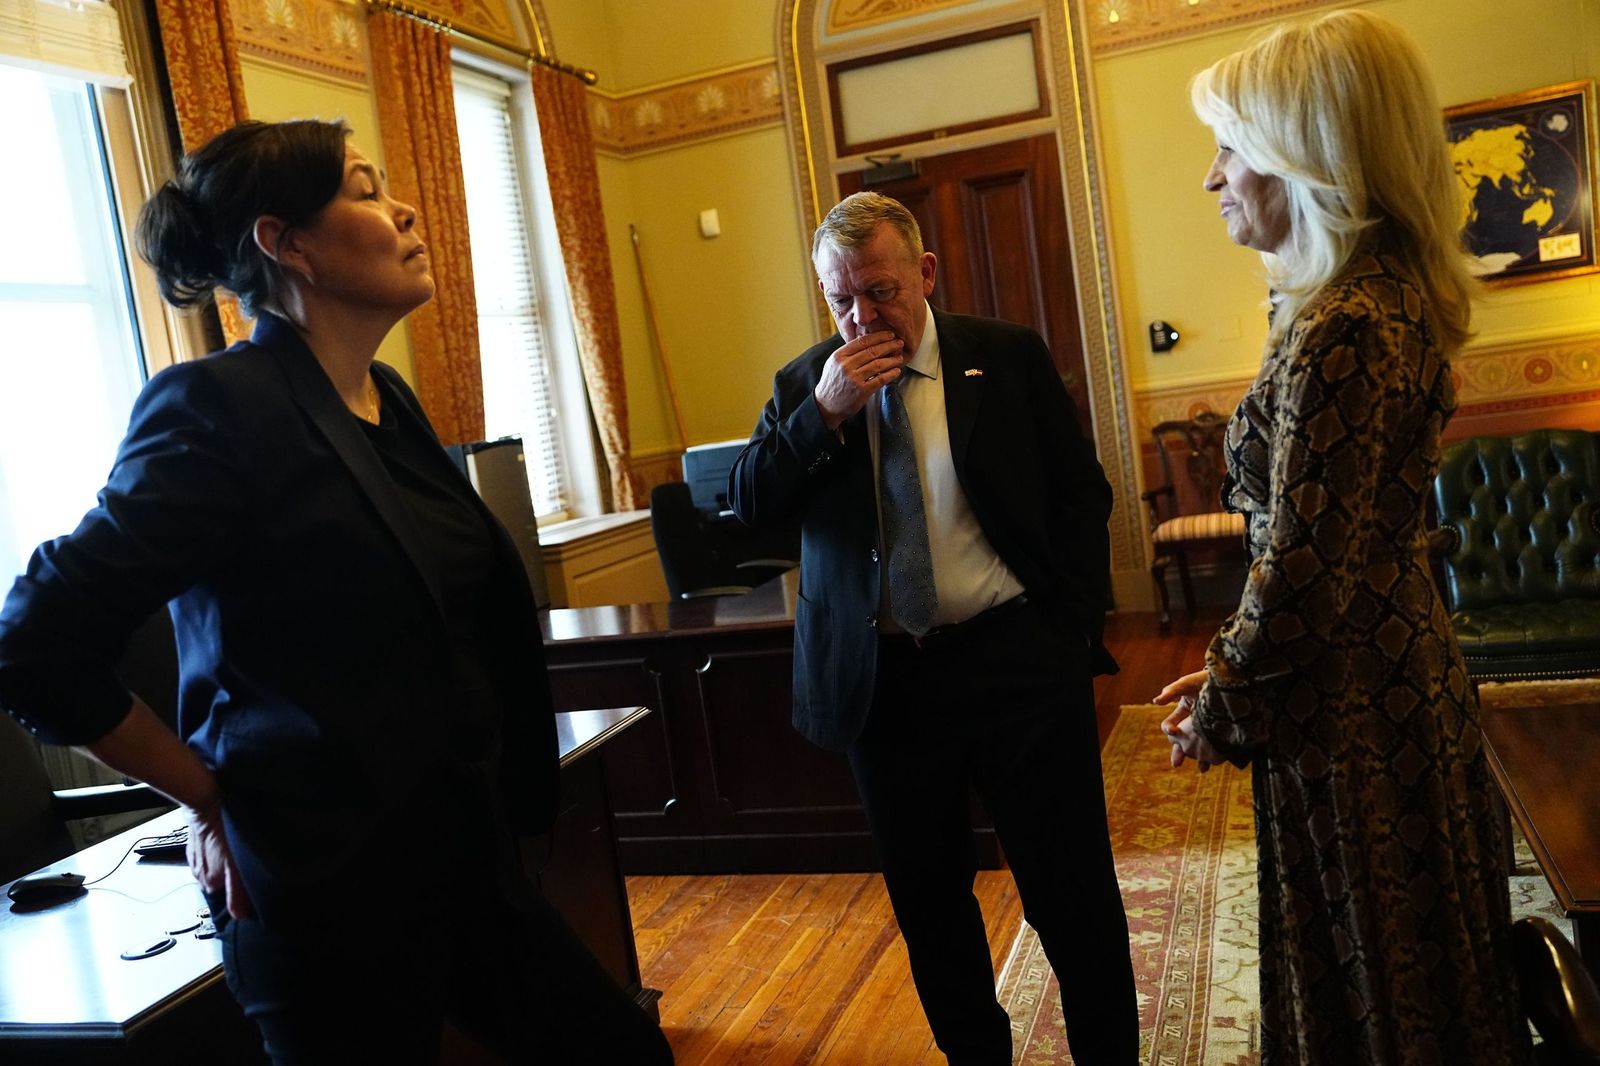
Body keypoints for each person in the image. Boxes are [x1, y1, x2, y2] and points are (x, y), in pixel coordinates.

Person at [0, 119, 674, 1066]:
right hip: (330, 896)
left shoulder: (385, 397)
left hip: (462, 863)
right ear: (288, 245)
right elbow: (34, 640)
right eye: (364, 189)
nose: (403, 209)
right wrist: (204, 796)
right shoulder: (216, 408)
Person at [1155, 10, 1533, 1064]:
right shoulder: (1363, 304)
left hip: (1356, 716)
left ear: (1300, 155)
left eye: (1228, 147)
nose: (1211, 177)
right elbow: (1324, 545)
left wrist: (1224, 702)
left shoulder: (1348, 326)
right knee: (1407, 965)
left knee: (1378, 975)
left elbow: (1306, 575)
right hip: (1374, 684)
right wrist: (1228, 671)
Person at [729, 191, 1137, 1064]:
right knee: (931, 907)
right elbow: (748, 505)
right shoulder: (808, 383)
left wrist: (1069, 631)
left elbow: (1081, 494)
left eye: (879, 292)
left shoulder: (1006, 355)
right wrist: (824, 415)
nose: (861, 317)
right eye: (841, 299)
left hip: (1017, 663)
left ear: (924, 273)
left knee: (1071, 896)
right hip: (888, 687)